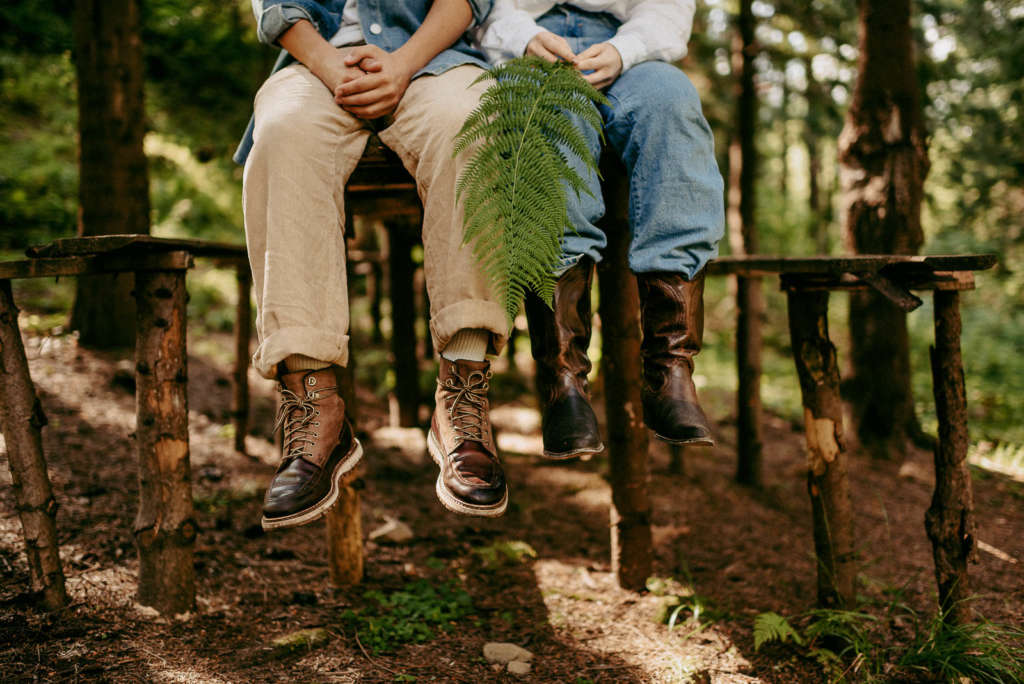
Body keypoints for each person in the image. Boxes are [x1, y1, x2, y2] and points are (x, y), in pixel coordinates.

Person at [235, 0, 511, 528]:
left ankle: (463, 390)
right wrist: (330, 65)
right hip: (317, 65)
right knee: (281, 135)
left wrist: (403, 64)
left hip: (436, 61)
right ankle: (314, 403)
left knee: (472, 123)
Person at [476, 0, 725, 459]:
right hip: (520, 45)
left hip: (627, 45)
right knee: (552, 133)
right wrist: (522, 37)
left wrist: (624, 49)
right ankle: (563, 381)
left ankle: (670, 370)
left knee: (672, 103)